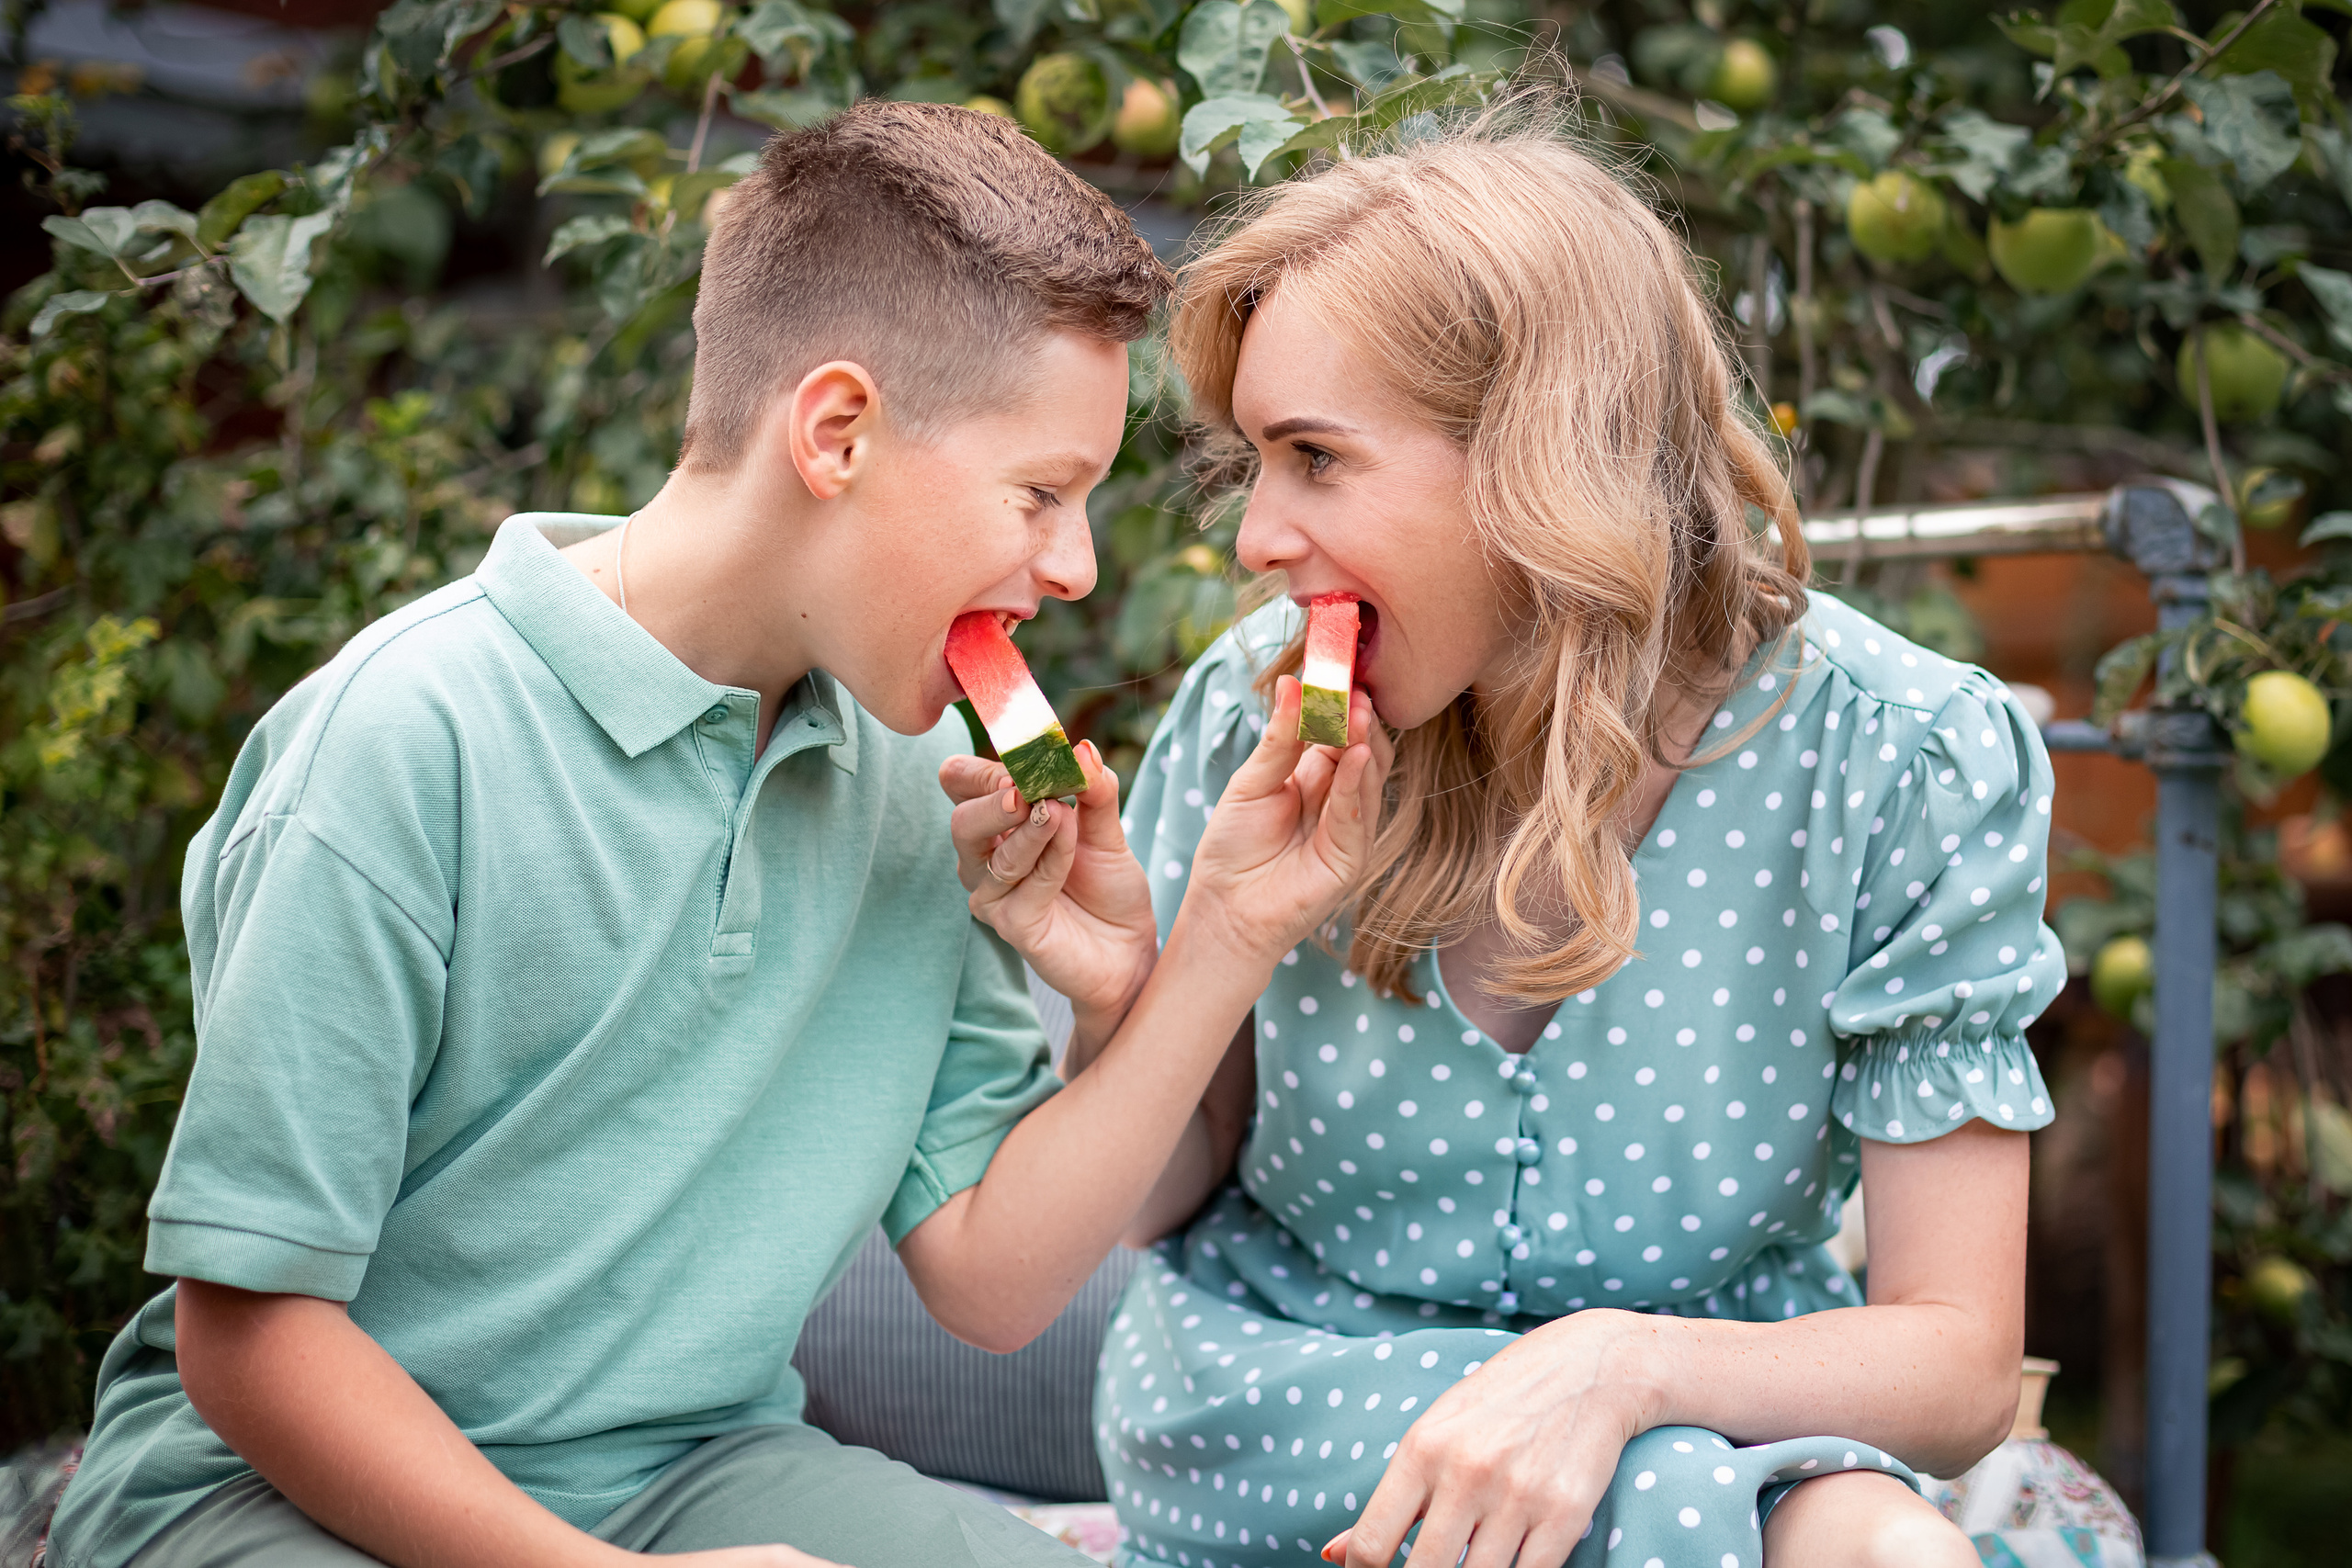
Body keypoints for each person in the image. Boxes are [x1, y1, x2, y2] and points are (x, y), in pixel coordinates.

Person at [48, 102, 1389, 1568]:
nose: (1072, 567)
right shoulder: (399, 741)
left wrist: (1218, 939)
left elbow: (995, 1286)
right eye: (1041, 496)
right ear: (835, 434)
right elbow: (246, 1345)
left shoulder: (924, 763)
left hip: (693, 1472)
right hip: (265, 1496)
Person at [945, 103, 2064, 1568]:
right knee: (1776, 1522)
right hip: (1286, 1407)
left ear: (1542, 457)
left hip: (1720, 1413)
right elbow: (1156, 1206)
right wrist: (1151, 980)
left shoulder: (1903, 761)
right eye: (1256, 463)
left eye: (1316, 459)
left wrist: (1622, 1365)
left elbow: (1964, 1364)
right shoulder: (1252, 710)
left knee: (1856, 1532)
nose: (1256, 539)